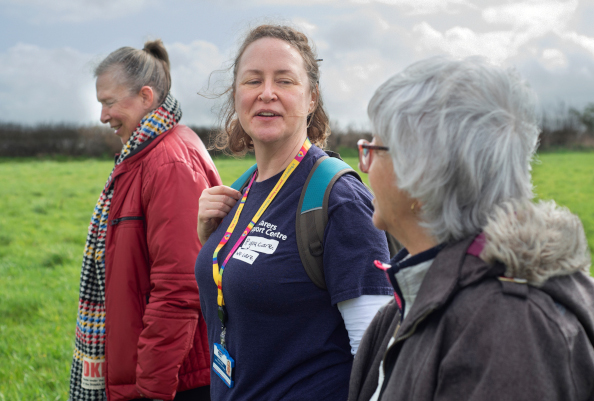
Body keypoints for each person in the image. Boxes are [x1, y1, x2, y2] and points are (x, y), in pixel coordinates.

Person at [348, 56, 594, 401]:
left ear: (422, 177)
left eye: (372, 149)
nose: (364, 166)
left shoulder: (510, 330)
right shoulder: (405, 304)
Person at [194, 24, 393, 401]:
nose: (266, 93)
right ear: (236, 94)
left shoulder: (339, 199)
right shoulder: (241, 188)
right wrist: (212, 242)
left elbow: (376, 363)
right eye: (253, 81)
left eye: (284, 81)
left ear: (312, 98)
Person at [69, 39, 221, 401]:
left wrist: (152, 389)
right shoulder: (144, 154)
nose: (103, 116)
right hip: (167, 373)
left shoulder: (167, 163)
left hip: (176, 381)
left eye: (108, 102)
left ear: (146, 97)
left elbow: (178, 289)